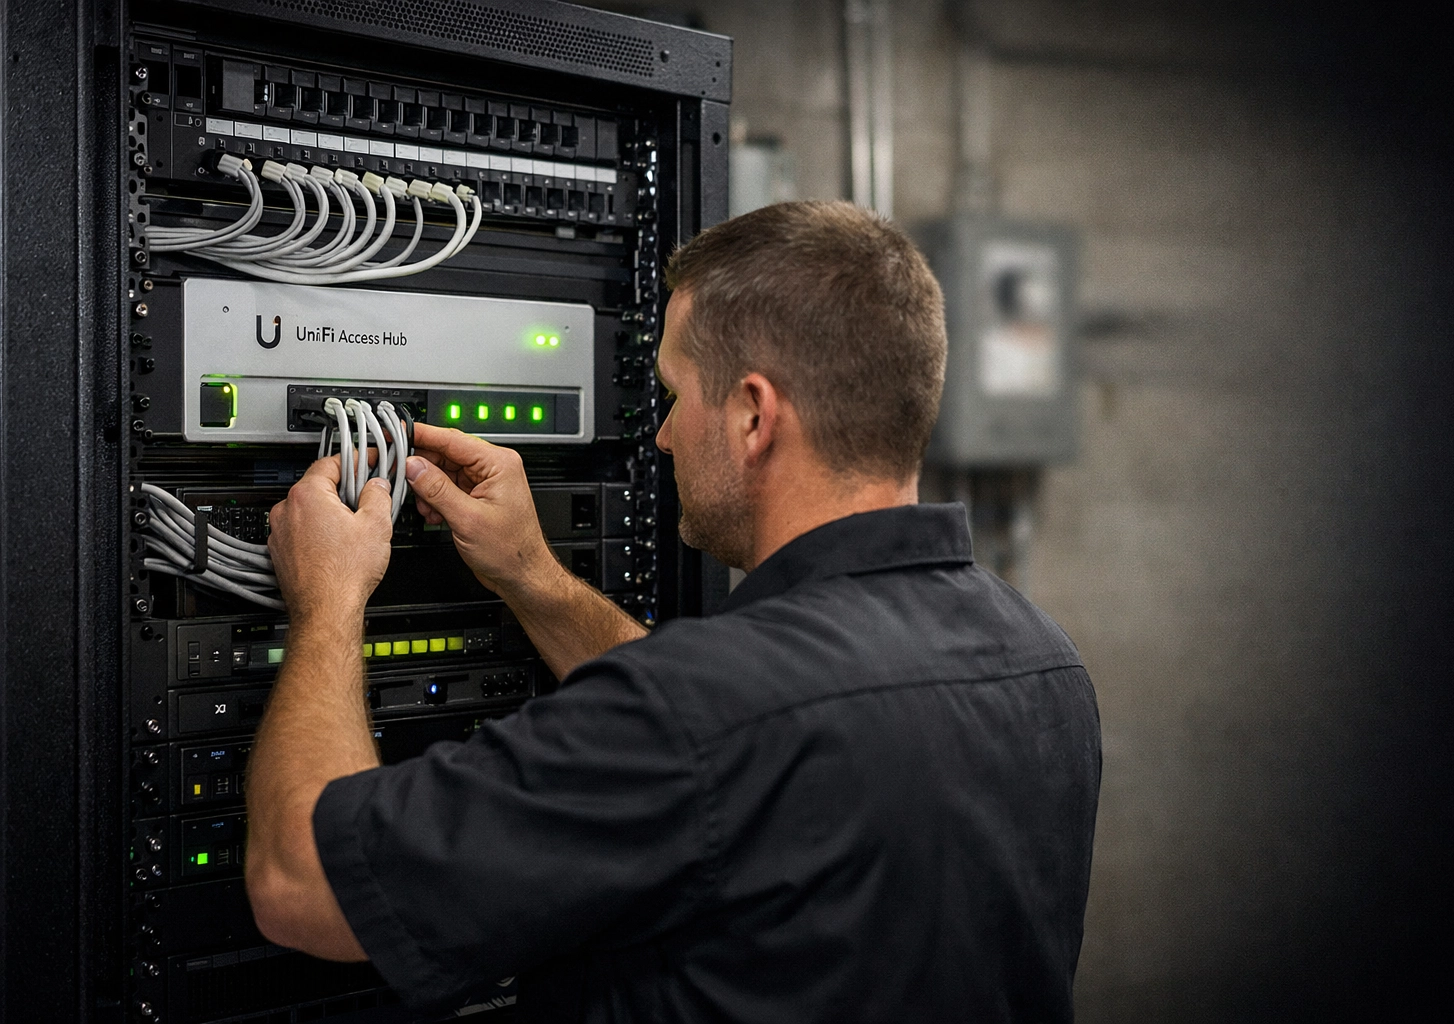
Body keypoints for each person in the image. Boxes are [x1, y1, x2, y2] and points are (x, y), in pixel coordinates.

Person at [246, 200, 1101, 1022]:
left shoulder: (702, 711)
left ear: (754, 415)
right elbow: (727, 748)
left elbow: (303, 885)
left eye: (677, 395)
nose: (659, 436)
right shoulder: (1042, 662)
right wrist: (534, 577)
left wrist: (329, 599)